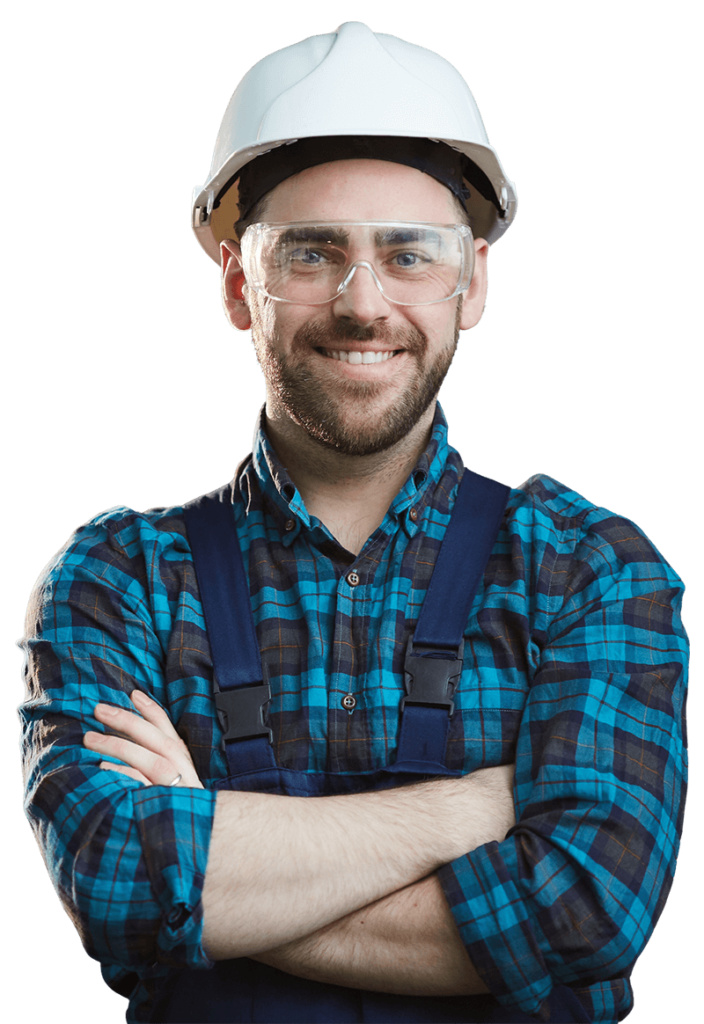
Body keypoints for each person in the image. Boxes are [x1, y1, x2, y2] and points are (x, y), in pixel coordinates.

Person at [16, 22, 688, 1024]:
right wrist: (469, 812)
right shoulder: (116, 578)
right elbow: (115, 884)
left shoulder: (587, 567)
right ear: (239, 285)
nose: (361, 302)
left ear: (472, 285)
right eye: (311, 252)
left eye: (407, 253)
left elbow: (581, 915)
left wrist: (206, 851)